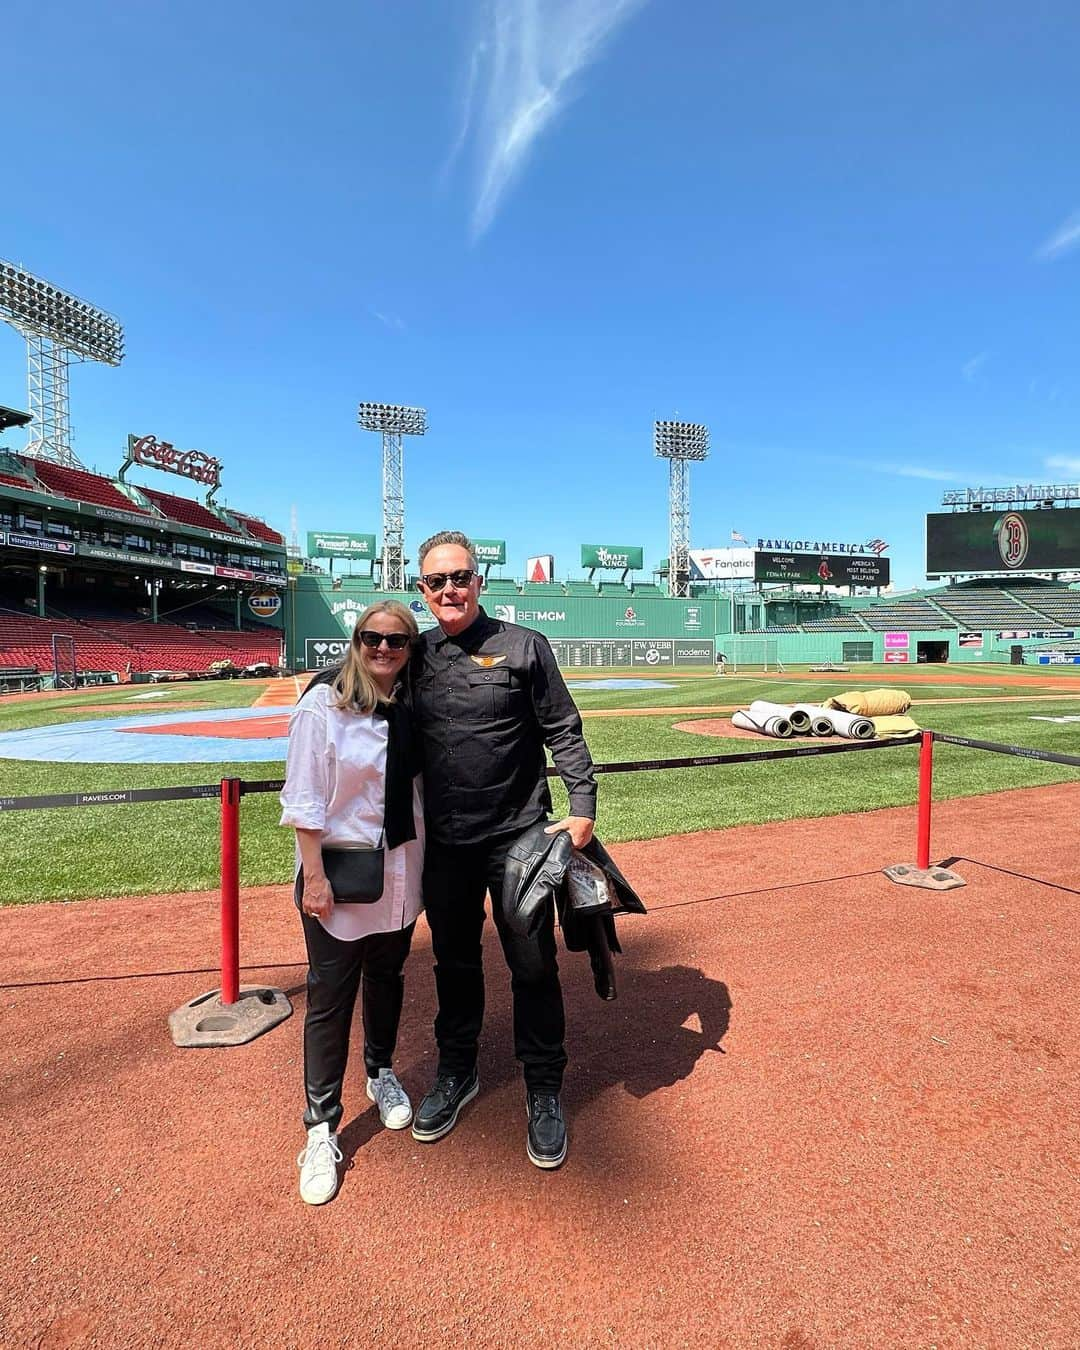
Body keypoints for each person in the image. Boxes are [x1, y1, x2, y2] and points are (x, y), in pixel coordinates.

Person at [408, 531, 597, 1170]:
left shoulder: (524, 646)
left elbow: (562, 729)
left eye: (460, 577)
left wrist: (582, 808)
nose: (450, 590)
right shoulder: (414, 654)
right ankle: (457, 1071)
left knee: (533, 964)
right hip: (446, 844)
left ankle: (544, 1087)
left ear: (479, 581)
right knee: (453, 964)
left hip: (520, 836)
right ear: (422, 590)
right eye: (436, 582)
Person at [279, 600, 423, 1205]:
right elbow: (304, 799)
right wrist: (313, 878)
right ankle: (320, 1127)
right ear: (357, 641)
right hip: (337, 875)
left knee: (387, 977)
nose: (384, 649)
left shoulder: (412, 708)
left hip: (401, 869)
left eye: (397, 641)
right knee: (331, 998)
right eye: (373, 638)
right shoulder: (324, 703)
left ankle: (381, 1071)